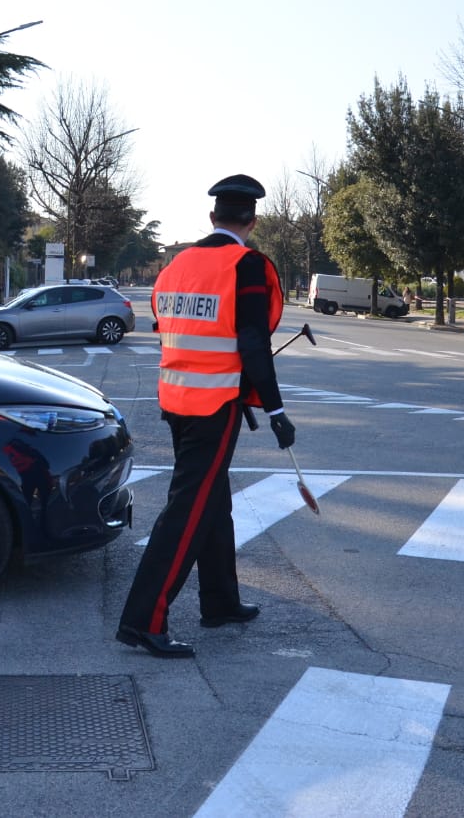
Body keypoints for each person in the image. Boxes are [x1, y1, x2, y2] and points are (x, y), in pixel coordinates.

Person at [116, 174, 295, 658]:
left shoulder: (176, 266)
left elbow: (165, 323)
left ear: (212, 217)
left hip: (176, 400)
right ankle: (142, 621)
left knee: (213, 501)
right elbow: (254, 343)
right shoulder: (248, 266)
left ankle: (220, 602)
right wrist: (275, 409)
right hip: (216, 405)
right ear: (251, 222)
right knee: (188, 510)